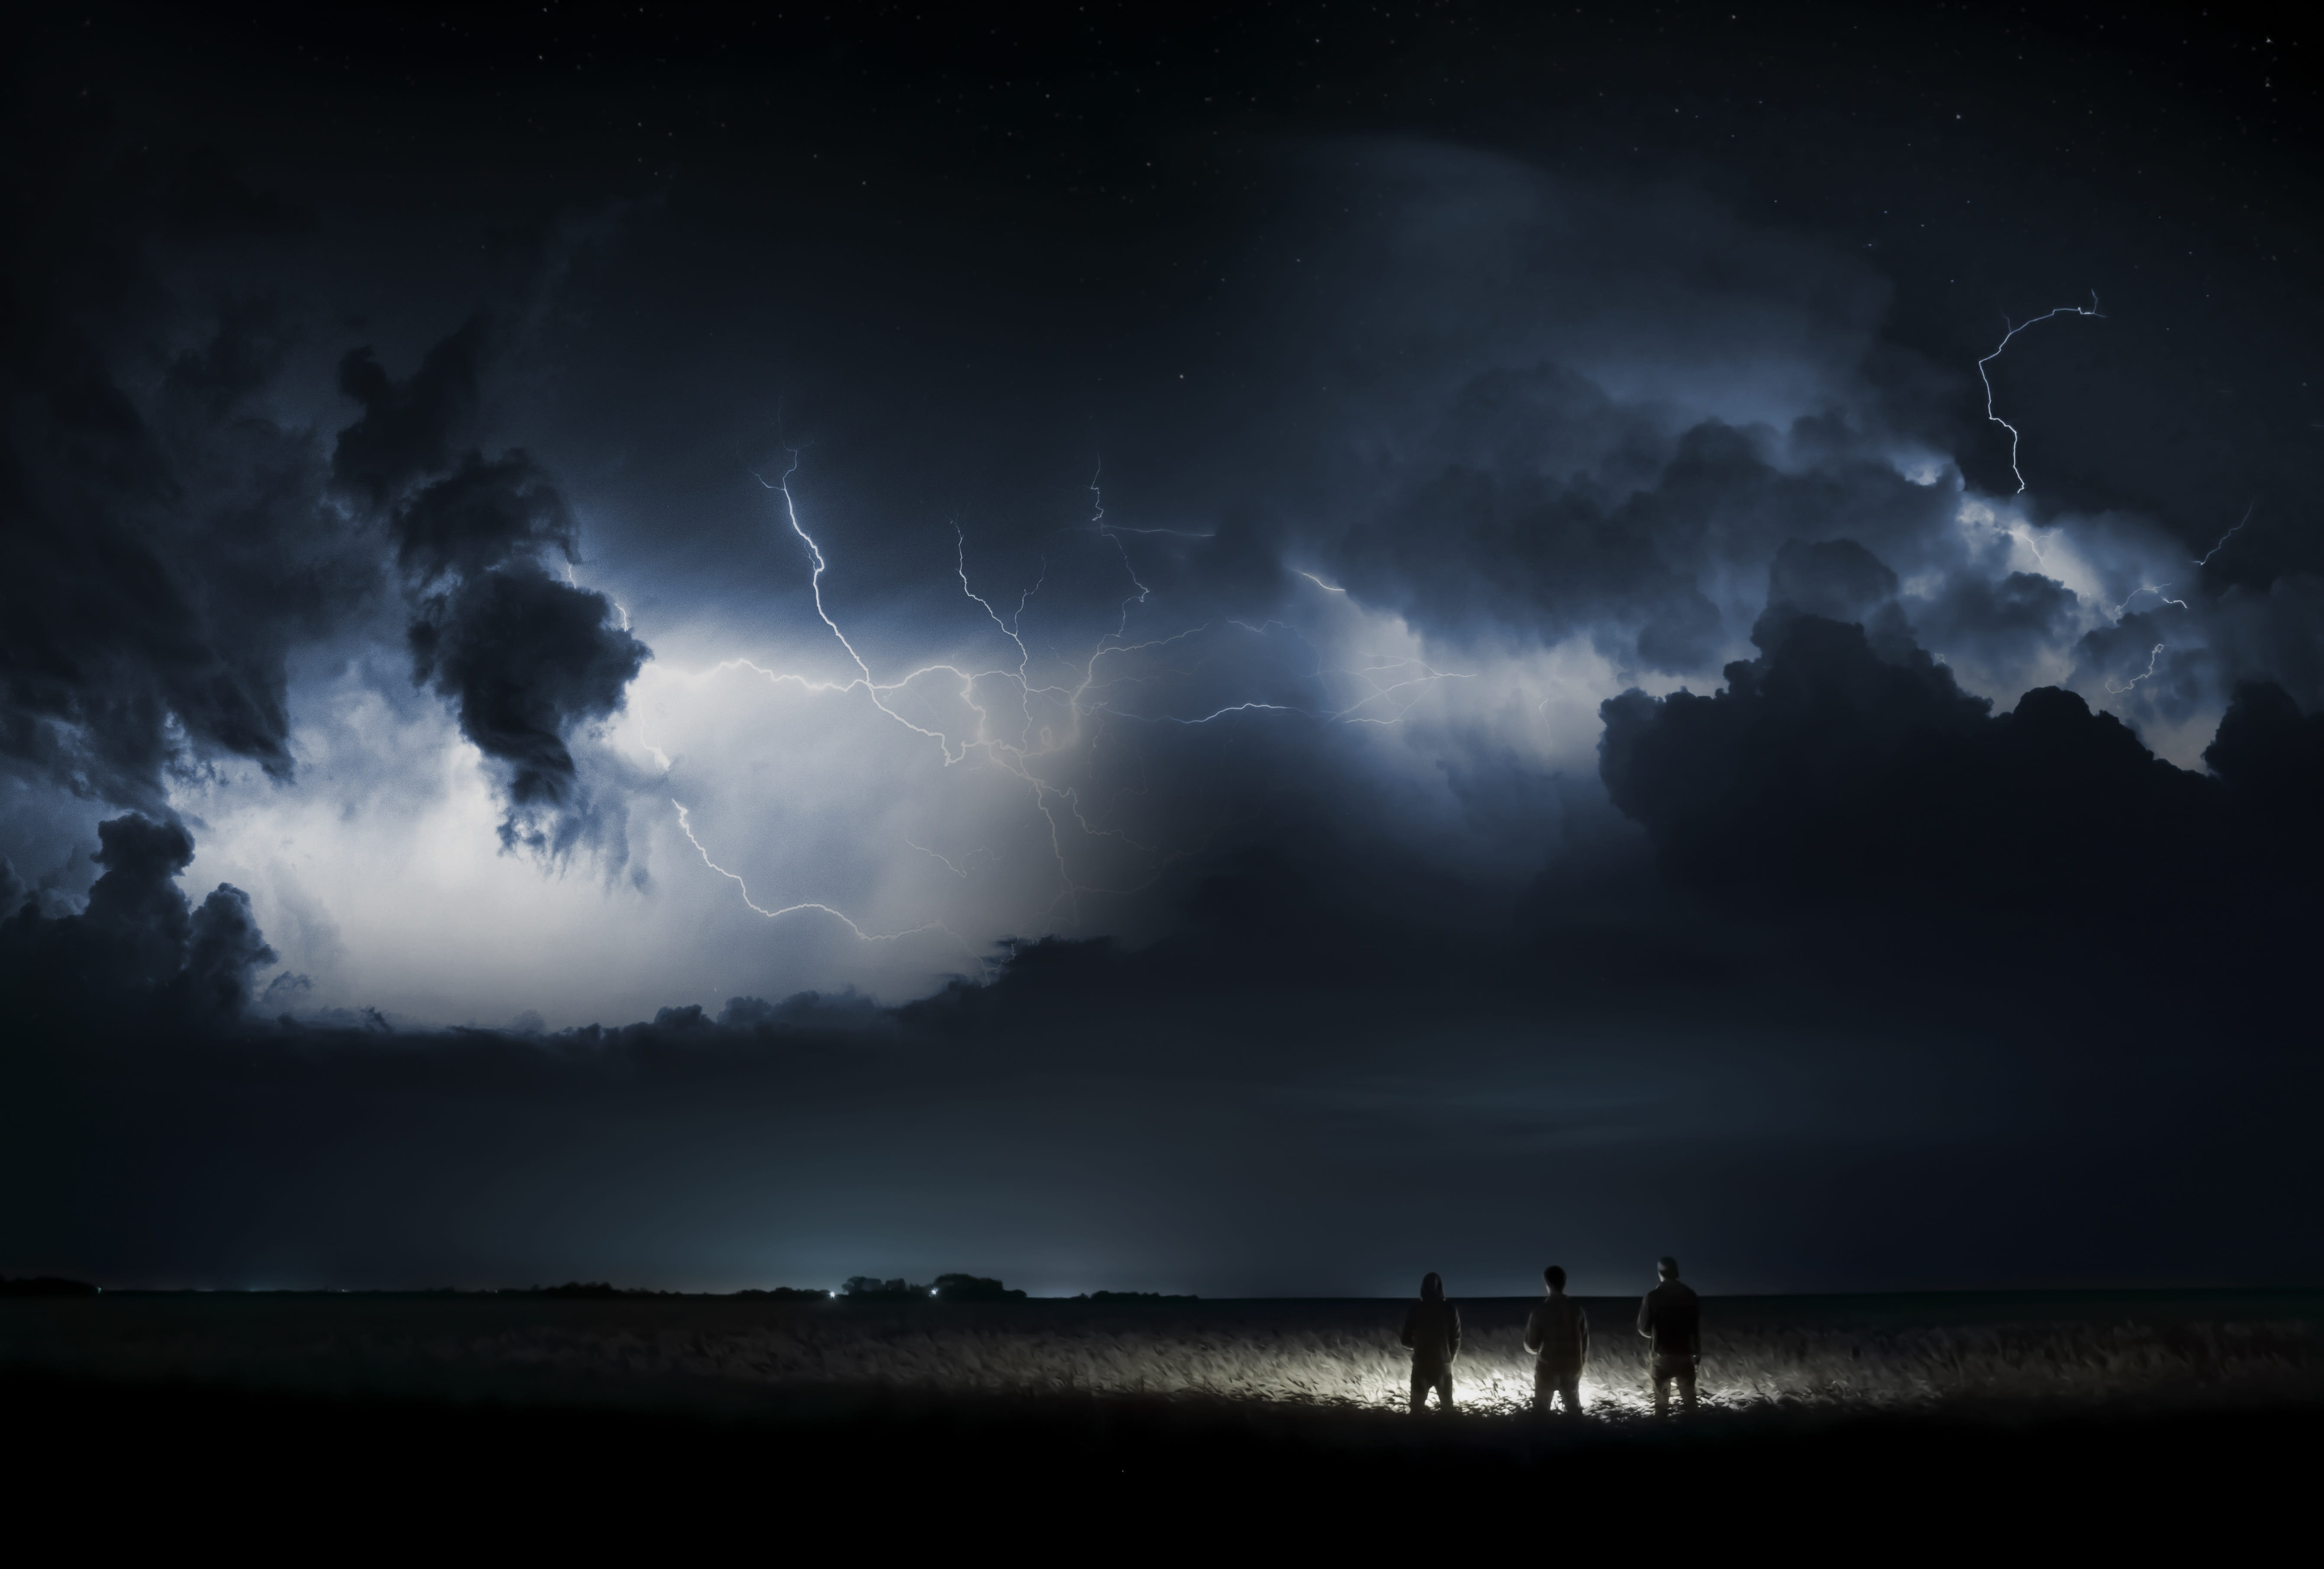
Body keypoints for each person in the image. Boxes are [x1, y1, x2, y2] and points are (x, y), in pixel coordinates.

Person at [1636, 1255, 1700, 1416]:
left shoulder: (1653, 1296)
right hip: (1686, 1355)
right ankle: (1695, 1434)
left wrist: (1658, 1334)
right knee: (1690, 1402)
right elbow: (1695, 1328)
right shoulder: (1690, 1295)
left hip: (1662, 1356)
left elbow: (1644, 1328)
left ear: (1660, 1273)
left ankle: (1663, 1434)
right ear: (1676, 1272)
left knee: (1662, 1403)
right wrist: (1697, 1352)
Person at [1523, 1264, 1588, 1416]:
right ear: (1564, 1283)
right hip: (1573, 1367)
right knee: (1574, 1410)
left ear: (1547, 1283)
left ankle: (1545, 1437)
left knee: (1541, 1410)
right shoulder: (1577, 1310)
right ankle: (1581, 1437)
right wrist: (1580, 1364)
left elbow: (1531, 1345)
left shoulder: (1540, 1311)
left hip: (1548, 1368)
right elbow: (1585, 1344)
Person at [1399, 1272, 1461, 1413]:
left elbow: (1405, 1341)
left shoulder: (1416, 1309)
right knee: (1448, 1410)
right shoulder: (1450, 1309)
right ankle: (1450, 1435)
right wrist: (1449, 1360)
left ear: (1423, 1288)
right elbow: (1456, 1340)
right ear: (1441, 1288)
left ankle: (1418, 1434)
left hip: (1421, 1365)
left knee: (1416, 1409)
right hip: (1443, 1366)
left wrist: (1422, 1344)